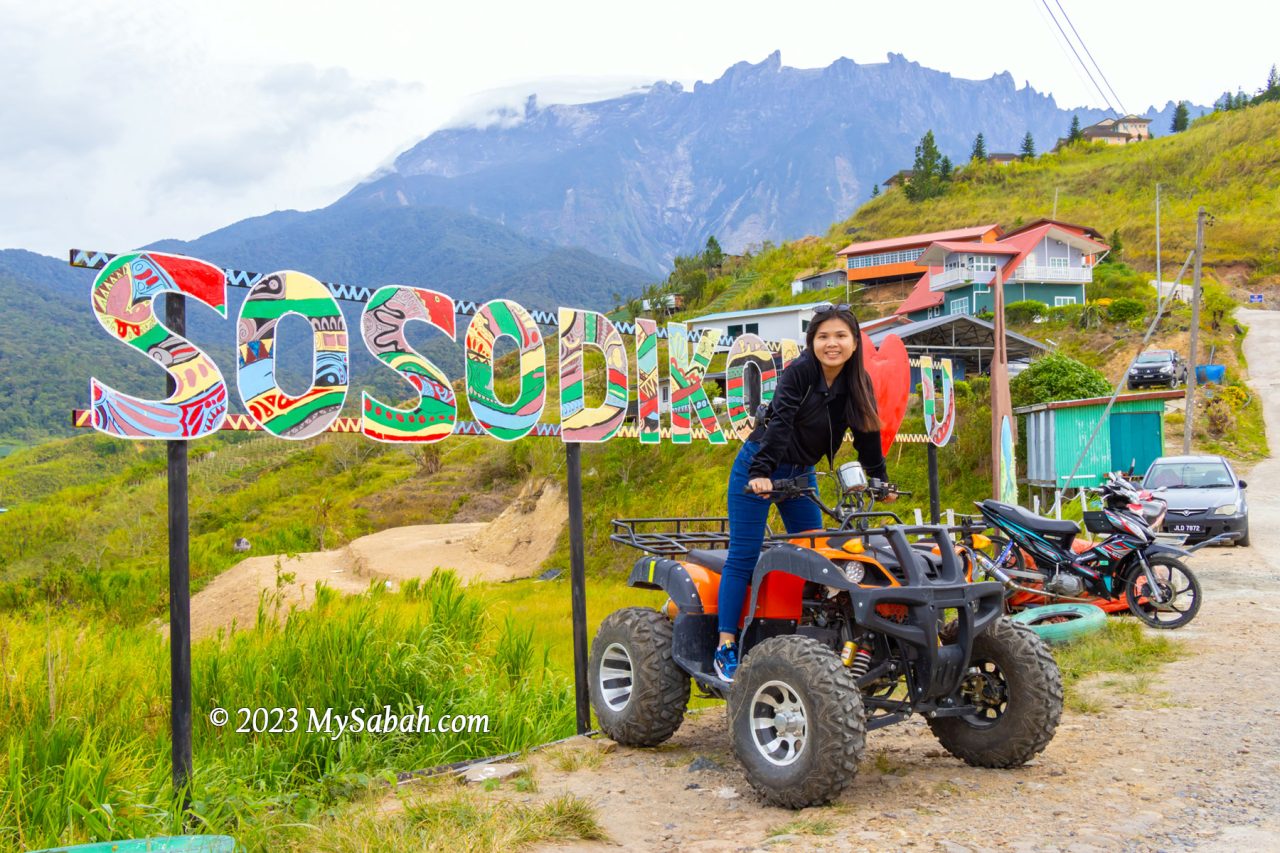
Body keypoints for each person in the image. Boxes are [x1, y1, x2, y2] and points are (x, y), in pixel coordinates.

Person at [713, 303, 895, 682]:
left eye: (841, 336)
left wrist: (879, 481)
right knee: (744, 556)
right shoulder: (798, 374)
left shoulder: (857, 382)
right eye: (823, 336)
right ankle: (726, 645)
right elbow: (779, 423)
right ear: (812, 341)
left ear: (854, 341)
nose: (832, 344)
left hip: (801, 475)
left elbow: (867, 435)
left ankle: (809, 638)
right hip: (759, 467)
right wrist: (761, 473)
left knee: (816, 554)